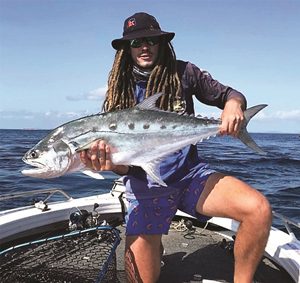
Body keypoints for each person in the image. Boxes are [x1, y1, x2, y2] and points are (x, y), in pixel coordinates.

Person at [80, 12, 272, 283]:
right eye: (136, 42)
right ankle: (154, 243)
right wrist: (109, 164)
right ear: (127, 49)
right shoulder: (119, 91)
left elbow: (231, 94)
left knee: (258, 209)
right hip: (146, 187)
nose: (144, 46)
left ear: (161, 43)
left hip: (191, 177)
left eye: (151, 39)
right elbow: (125, 165)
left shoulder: (184, 72)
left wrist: (233, 105)